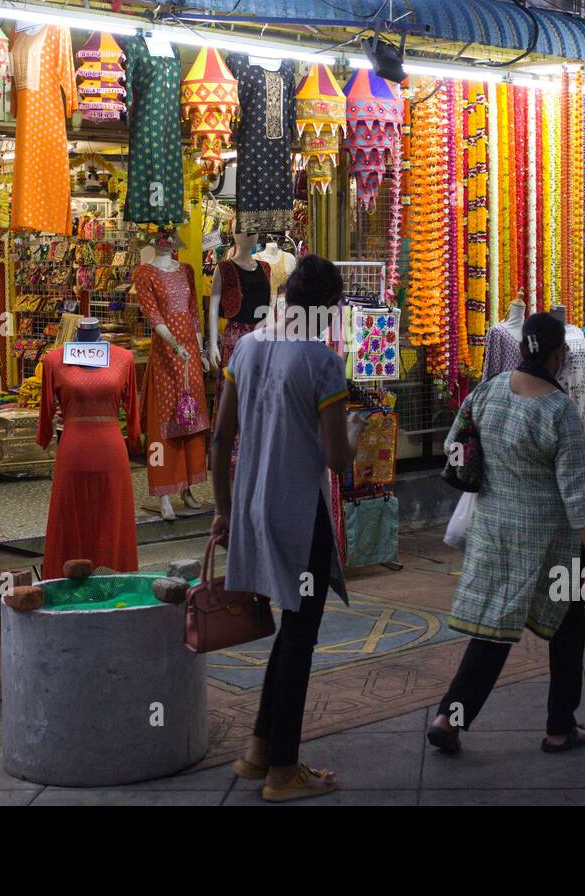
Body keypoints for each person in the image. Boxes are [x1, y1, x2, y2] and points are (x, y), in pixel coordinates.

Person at [211, 254, 365, 802]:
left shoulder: (247, 347)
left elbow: (220, 436)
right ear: (326, 308)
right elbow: (335, 458)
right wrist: (353, 431)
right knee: (301, 634)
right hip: (299, 515)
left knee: (290, 628)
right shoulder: (322, 364)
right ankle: (283, 769)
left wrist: (223, 508)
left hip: (252, 506)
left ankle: (258, 748)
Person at [428, 311, 585, 754]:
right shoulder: (558, 409)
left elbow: (455, 446)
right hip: (552, 541)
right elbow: (576, 490)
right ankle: (559, 726)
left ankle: (450, 718)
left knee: (492, 628)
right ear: (557, 353)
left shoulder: (488, 392)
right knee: (567, 630)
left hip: (493, 530)